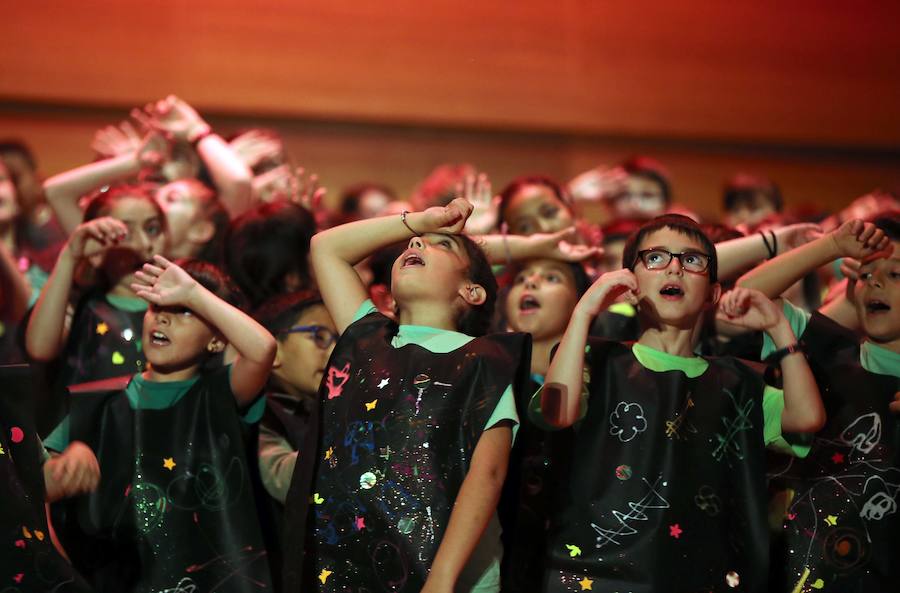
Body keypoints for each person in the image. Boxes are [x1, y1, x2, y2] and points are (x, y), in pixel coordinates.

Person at [533, 214, 824, 593]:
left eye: (692, 260)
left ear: (714, 293)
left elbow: (807, 418)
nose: (674, 267)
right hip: (594, 577)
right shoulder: (599, 363)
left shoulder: (738, 383)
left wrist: (780, 330)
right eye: (655, 258)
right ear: (628, 284)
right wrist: (585, 311)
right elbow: (557, 411)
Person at [285, 198, 531, 593]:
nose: (415, 245)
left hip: (446, 578)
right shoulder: (365, 338)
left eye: (442, 245)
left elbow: (487, 475)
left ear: (472, 291)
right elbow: (326, 247)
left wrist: (442, 579)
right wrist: (419, 221)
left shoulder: (484, 361)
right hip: (349, 572)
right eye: (413, 242)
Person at [44, 257, 276, 592]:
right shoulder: (96, 404)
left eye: (183, 311)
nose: (163, 316)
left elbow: (263, 348)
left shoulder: (220, 394)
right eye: (155, 306)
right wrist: (64, 465)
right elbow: (38, 485)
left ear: (216, 340)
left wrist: (194, 292)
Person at [736, 217, 900, 592]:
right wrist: (832, 246)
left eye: (896, 274)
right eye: (867, 273)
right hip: (804, 571)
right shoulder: (825, 350)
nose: (876, 282)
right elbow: (749, 294)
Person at [498, 257, 589, 592]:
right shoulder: (484, 373)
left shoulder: (600, 380)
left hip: (567, 558)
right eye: (521, 277)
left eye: (551, 277)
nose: (531, 283)